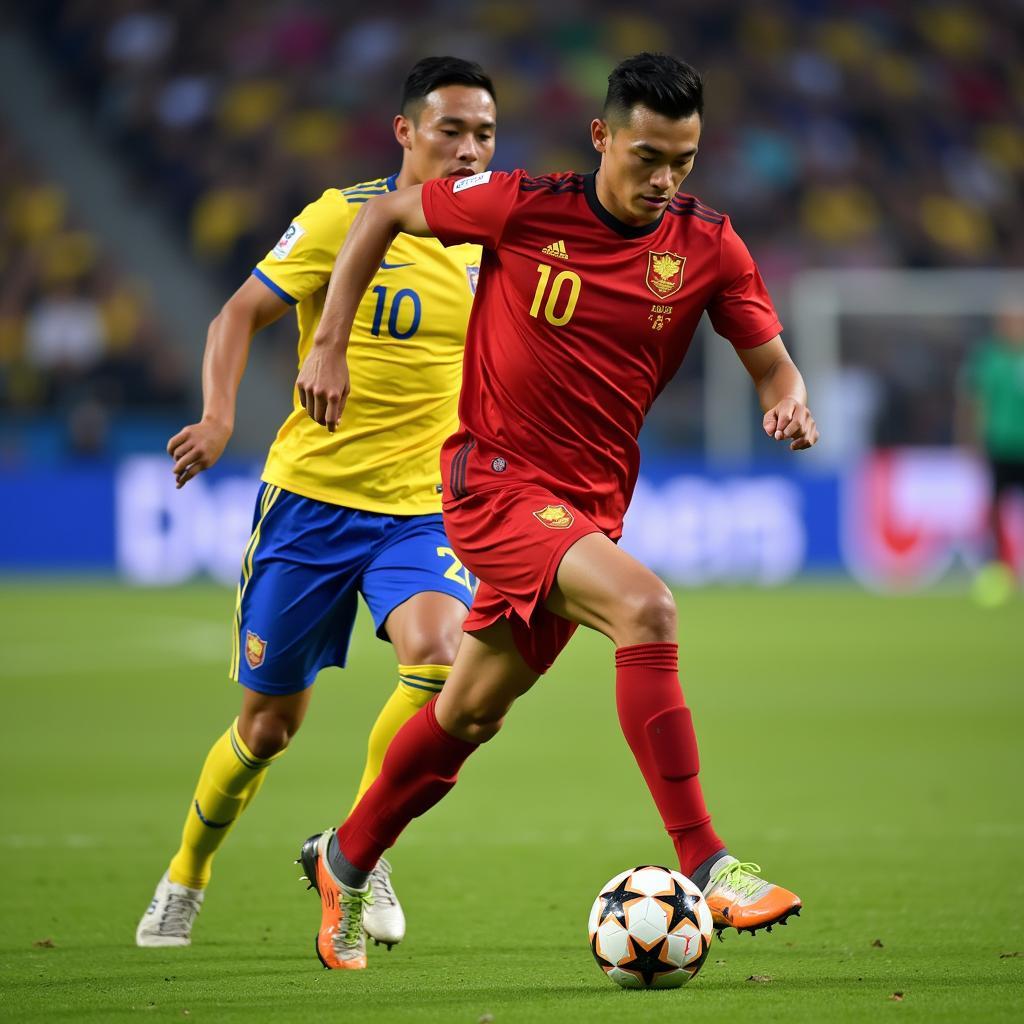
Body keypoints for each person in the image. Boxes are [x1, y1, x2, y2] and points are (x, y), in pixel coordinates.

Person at [295, 51, 819, 972]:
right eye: (647, 157)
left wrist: (788, 396)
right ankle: (709, 860)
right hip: (494, 483)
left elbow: (772, 359)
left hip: (586, 509)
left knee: (467, 714)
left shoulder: (708, 244)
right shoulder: (522, 204)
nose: (664, 180)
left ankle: (344, 859)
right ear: (602, 137)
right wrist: (330, 344)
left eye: (683, 162)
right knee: (646, 608)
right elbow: (382, 212)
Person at [135, 57, 497, 952]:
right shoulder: (343, 215)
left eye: (484, 133)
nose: (468, 148)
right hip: (311, 507)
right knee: (267, 728)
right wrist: (220, 416)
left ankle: (357, 852)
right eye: (450, 129)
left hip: (422, 509)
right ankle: (187, 873)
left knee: (441, 659)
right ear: (405, 131)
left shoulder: (499, 233)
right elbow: (236, 317)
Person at [960, 300, 1024, 606]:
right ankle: (999, 568)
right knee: (997, 509)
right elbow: (975, 402)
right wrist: (971, 440)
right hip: (1000, 444)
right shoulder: (990, 359)